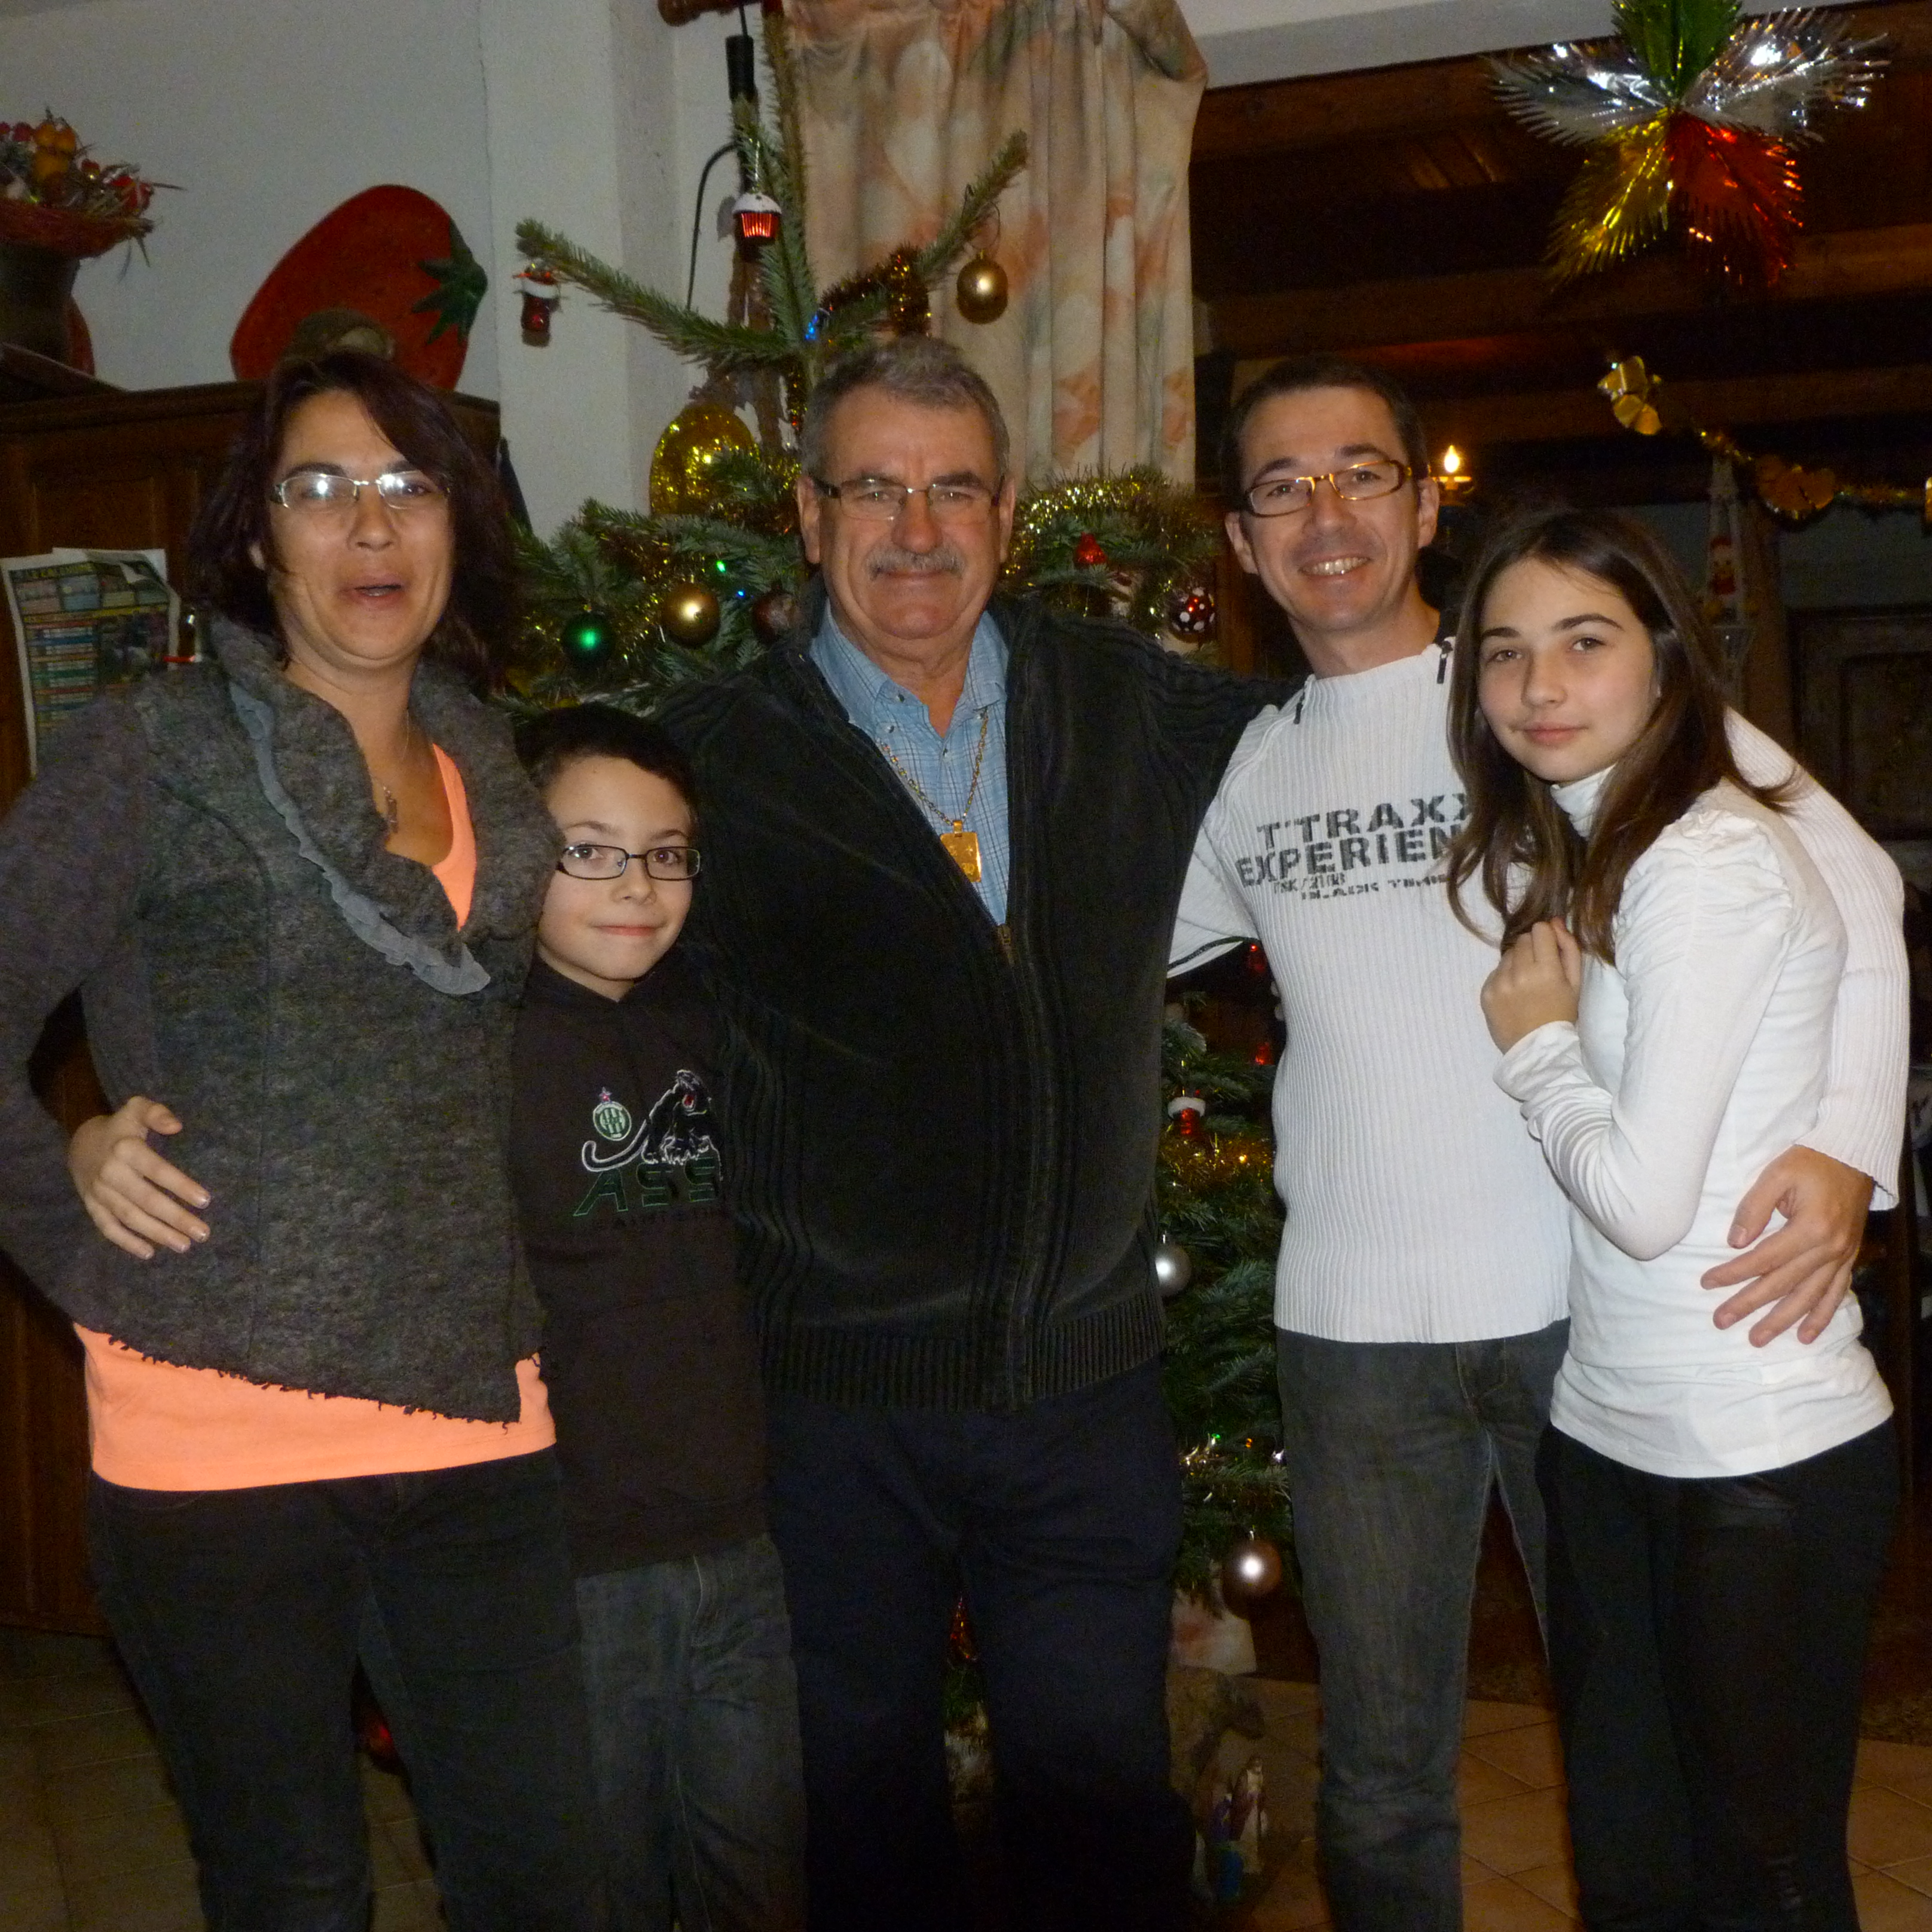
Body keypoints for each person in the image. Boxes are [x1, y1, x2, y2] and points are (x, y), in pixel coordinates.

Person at [1170, 356, 1906, 1929]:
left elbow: (1848, 884)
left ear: (1421, 503)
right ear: (1239, 541)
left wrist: (1850, 1142)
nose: (1325, 511)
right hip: (1351, 1335)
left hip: (1576, 1314)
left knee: (1645, 1758)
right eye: (1282, 485)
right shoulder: (1247, 766)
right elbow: (1098, 959)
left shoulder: (1547, 680)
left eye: (1360, 471)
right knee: (1380, 1774)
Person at [654, 334, 1277, 1932]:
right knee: (862, 1829)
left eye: (953, 490)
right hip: (833, 1416)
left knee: (1101, 1820)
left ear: (1006, 513)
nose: (916, 532)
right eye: (874, 489)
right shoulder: (709, 762)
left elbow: (1362, 746)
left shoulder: (1123, 706)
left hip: (1083, 1402)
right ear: (809, 515)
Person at [0, 351, 597, 1930]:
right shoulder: (156, 747)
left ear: (457, 525)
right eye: (318, 488)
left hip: (476, 1417)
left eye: (407, 485)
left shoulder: (495, 770)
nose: (370, 526)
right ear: (259, 537)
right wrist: (67, 1197)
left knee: (544, 1876)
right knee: (295, 1892)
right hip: (219, 1434)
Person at [1453, 507, 1898, 1926]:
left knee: (1759, 1875)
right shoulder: (1603, 839)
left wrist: (1536, 1045)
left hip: (1753, 1449)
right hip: (1607, 1430)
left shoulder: (1704, 857)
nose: (1538, 685)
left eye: (1581, 642)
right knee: (1633, 1863)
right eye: (1504, 651)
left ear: (1660, 654)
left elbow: (1644, 1204)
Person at [509, 702, 806, 1932]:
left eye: (666, 853)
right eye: (589, 850)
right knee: (602, 1885)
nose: (635, 885)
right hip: (569, 1562)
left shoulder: (720, 1017)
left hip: (739, 1540)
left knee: (762, 1879)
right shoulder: (476, 1040)